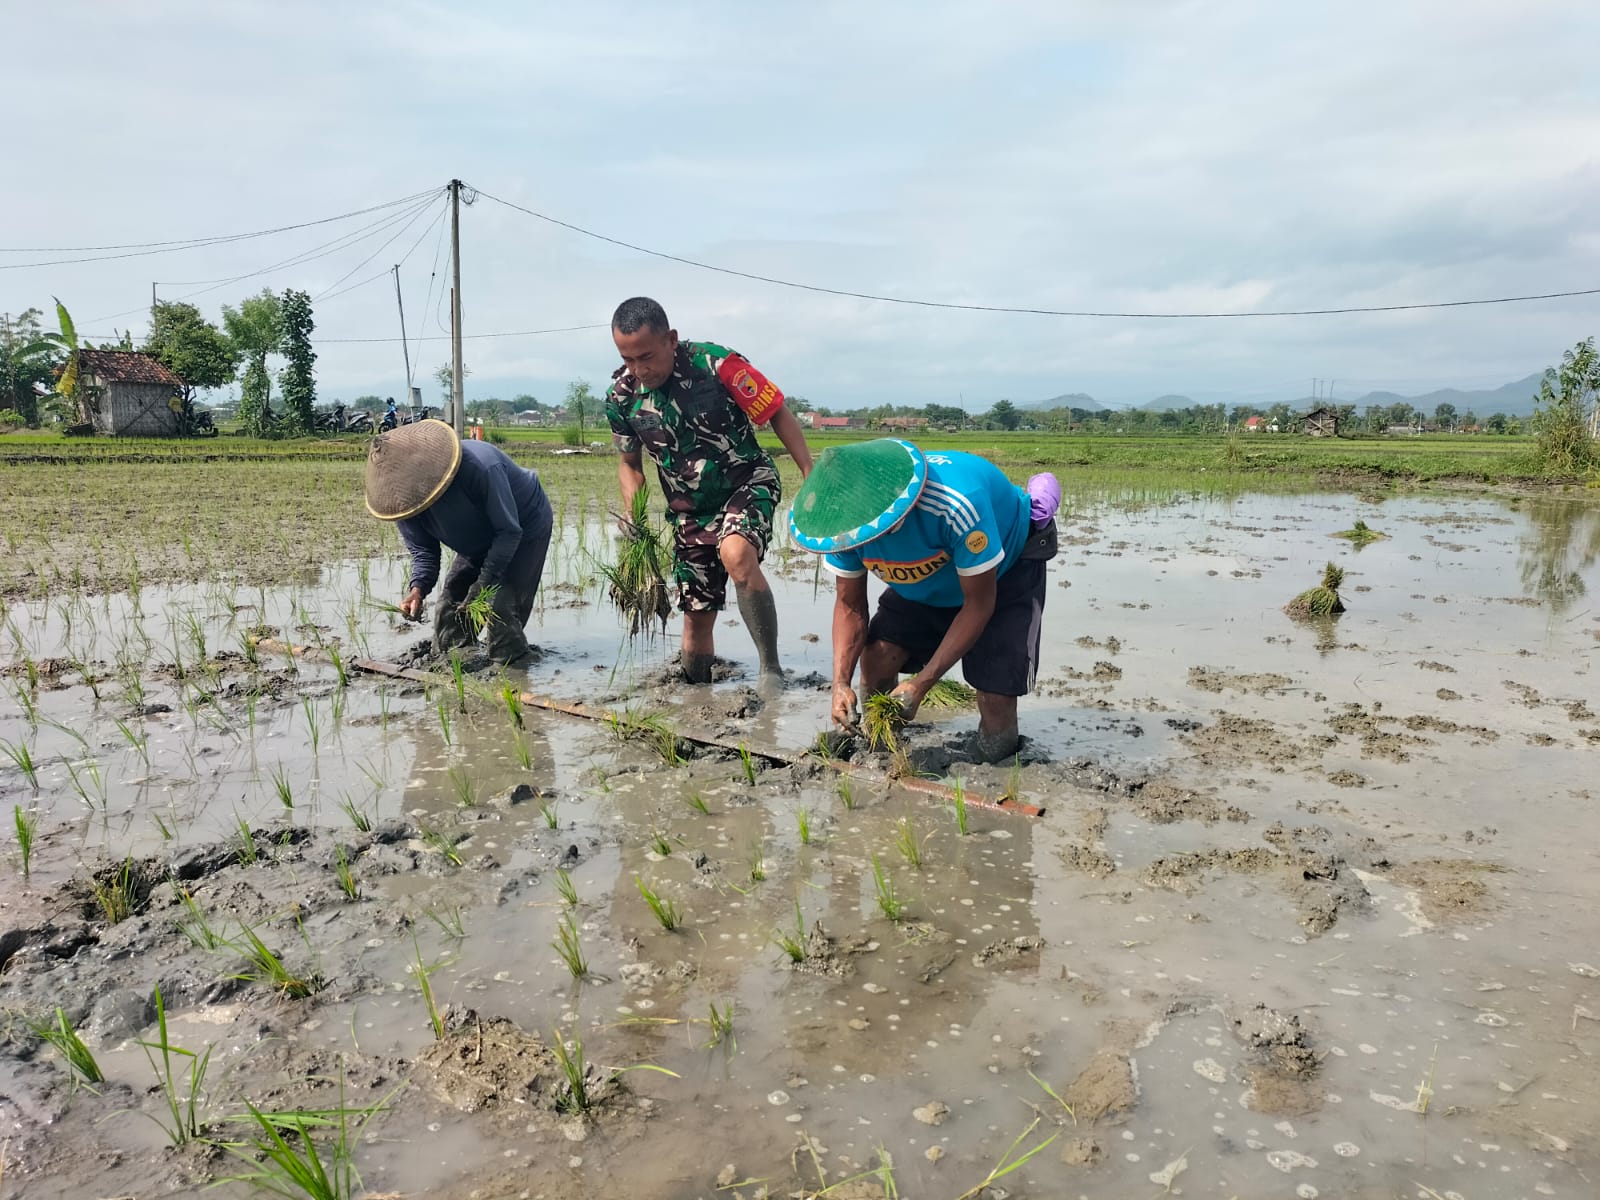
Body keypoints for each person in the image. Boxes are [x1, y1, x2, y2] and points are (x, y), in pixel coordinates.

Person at [789, 438, 1060, 762]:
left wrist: (922, 683)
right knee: (877, 657)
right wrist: (839, 683)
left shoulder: (956, 505)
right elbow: (850, 606)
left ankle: (996, 763)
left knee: (995, 697)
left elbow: (978, 605)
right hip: (926, 571)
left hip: (1003, 569)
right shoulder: (844, 525)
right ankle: (880, 742)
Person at [605, 296, 813, 683]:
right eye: (628, 359)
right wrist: (632, 514)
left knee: (736, 553)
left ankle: (771, 671)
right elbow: (629, 466)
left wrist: (808, 472)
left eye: (646, 356)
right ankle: (694, 689)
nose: (639, 369)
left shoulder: (718, 365)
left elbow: (777, 412)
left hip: (747, 481)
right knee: (695, 620)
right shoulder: (622, 397)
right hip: (689, 509)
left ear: (671, 339)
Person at [364, 418, 553, 664]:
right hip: (476, 538)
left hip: (523, 528)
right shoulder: (402, 499)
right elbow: (425, 552)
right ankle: (459, 666)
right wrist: (417, 590)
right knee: (448, 613)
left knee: (501, 612)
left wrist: (483, 582)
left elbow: (509, 532)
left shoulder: (481, 467)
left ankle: (514, 671)